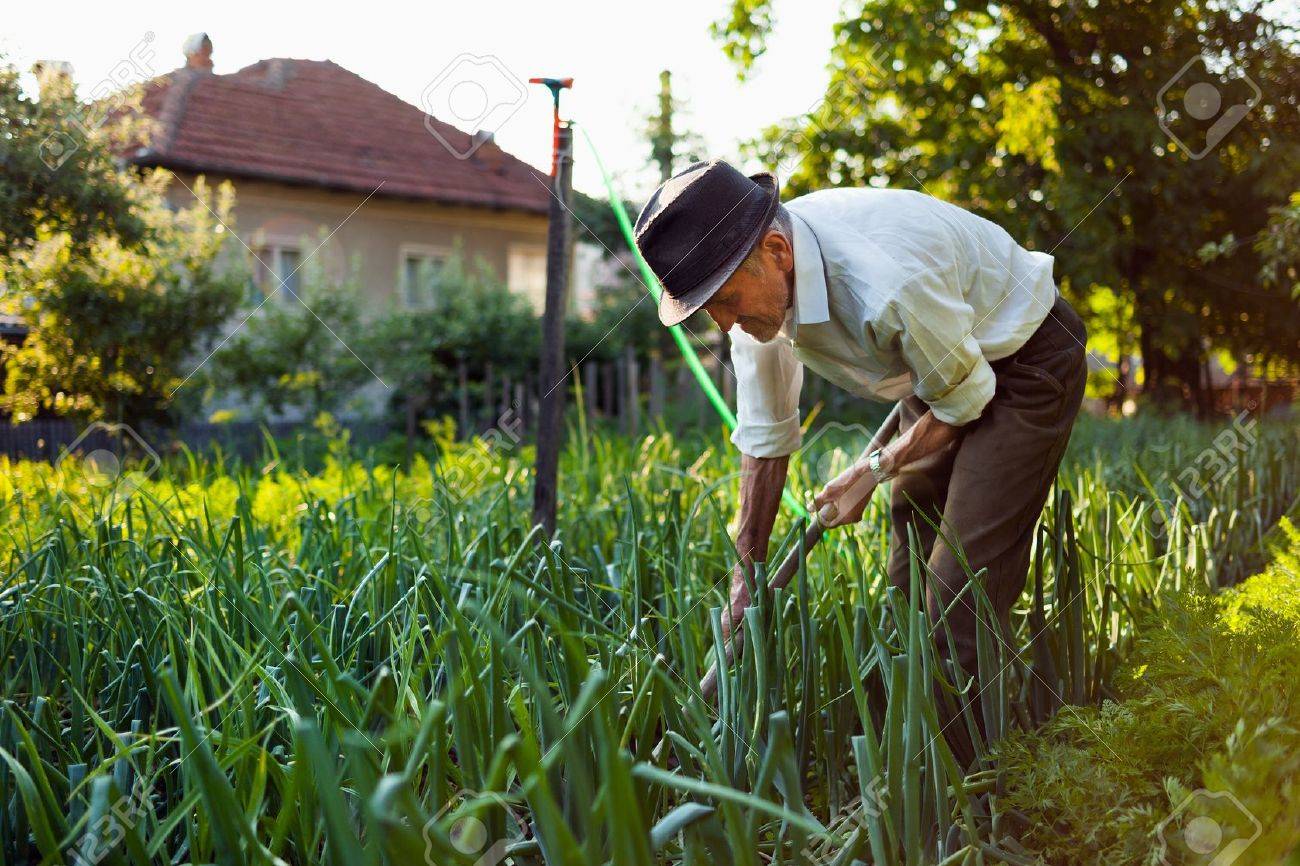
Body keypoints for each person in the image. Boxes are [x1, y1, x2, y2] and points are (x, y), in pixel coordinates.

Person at [634, 160, 1087, 764]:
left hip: (1025, 360)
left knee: (957, 593)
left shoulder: (884, 281)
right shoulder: (752, 300)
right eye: (706, 310)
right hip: (939, 368)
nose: (722, 323)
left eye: (725, 301)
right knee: (908, 581)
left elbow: (966, 400)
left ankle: (975, 787)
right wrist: (747, 575)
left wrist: (873, 471)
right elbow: (766, 440)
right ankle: (902, 749)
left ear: (777, 252)